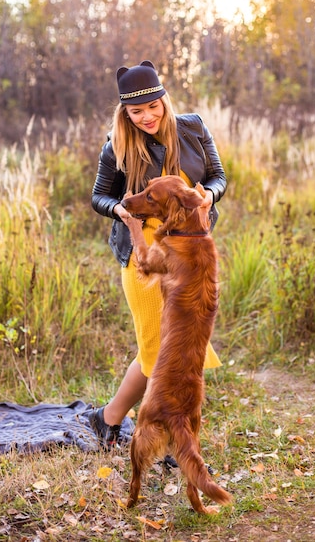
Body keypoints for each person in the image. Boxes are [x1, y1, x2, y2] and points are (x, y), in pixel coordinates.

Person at [89, 60, 227, 450]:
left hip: (186, 251)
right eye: (136, 111)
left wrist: (208, 195)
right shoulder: (116, 146)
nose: (147, 116)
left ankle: (109, 417)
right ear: (125, 113)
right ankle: (169, 444)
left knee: (180, 351)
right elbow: (100, 196)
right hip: (144, 255)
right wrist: (119, 210)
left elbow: (218, 176)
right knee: (158, 348)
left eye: (153, 106)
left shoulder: (193, 127)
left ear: (164, 100)